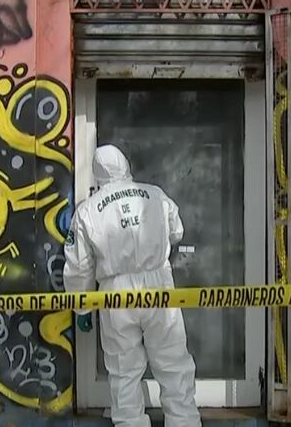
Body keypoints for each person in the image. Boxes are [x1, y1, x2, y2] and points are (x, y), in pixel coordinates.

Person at [63, 144, 202, 427]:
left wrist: (81, 306)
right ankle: (184, 421)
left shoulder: (87, 210)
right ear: (126, 164)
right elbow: (177, 231)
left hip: (116, 294)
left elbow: (79, 266)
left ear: (97, 173)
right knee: (173, 362)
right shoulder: (155, 195)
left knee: (123, 370)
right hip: (158, 286)